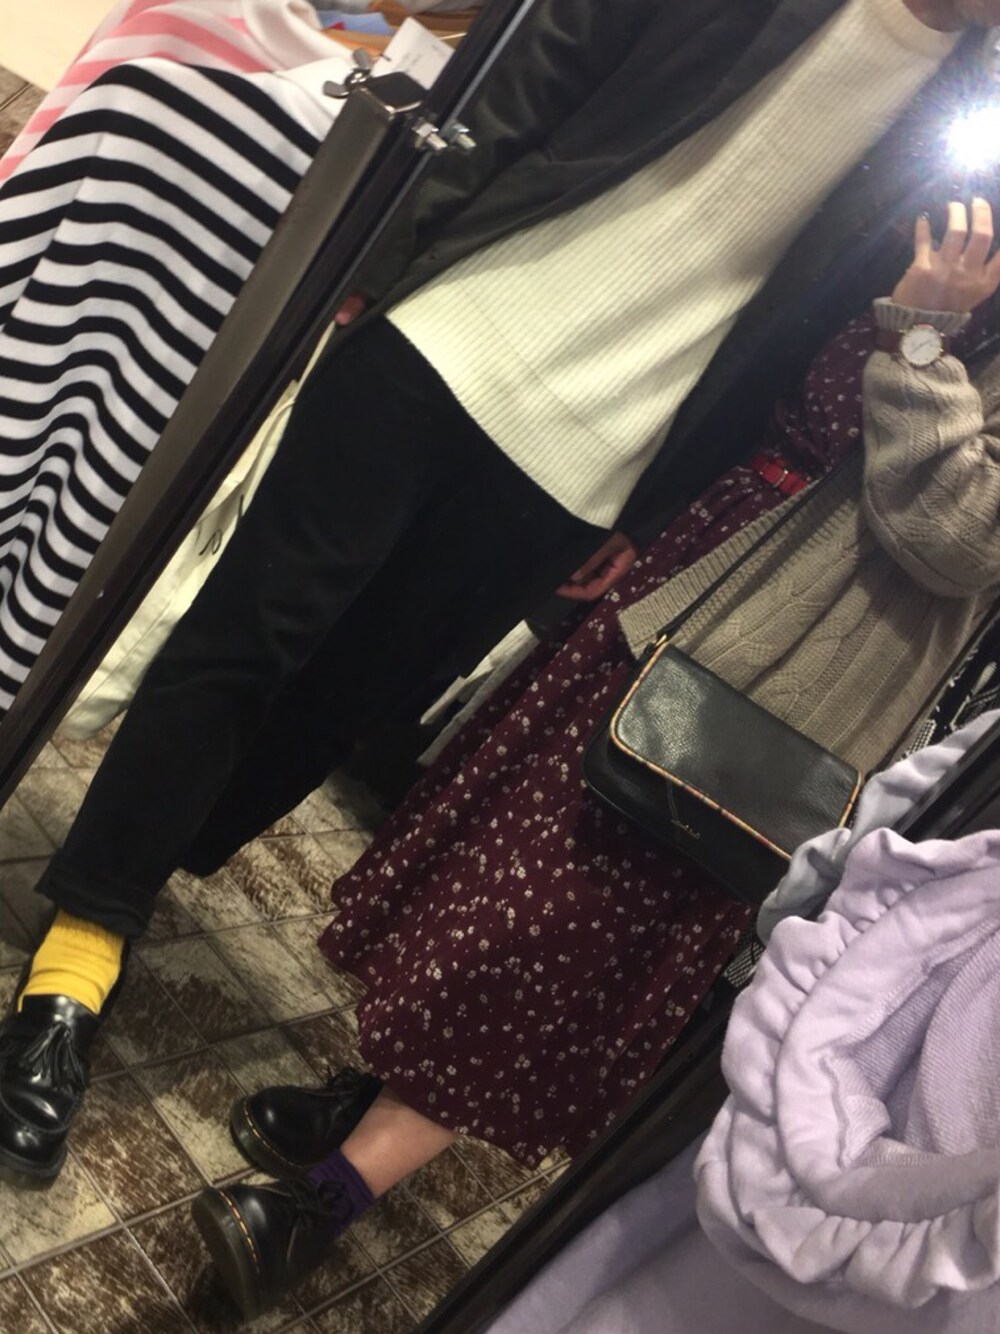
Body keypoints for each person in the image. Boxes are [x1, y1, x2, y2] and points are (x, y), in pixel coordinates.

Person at [0, 0, 992, 1221]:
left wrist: (657, 500)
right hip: (458, 320)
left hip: (604, 446)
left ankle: (147, 861)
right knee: (253, 633)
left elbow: (798, 338)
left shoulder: (960, 121)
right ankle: (83, 947)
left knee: (353, 693)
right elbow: (540, 59)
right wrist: (383, 252)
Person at [182, 194, 1000, 1317]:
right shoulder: (951, 247)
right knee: (507, 870)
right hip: (703, 583)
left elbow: (963, 535)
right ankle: (366, 1098)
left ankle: (329, 1197)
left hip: (783, 688)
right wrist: (651, 523)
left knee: (567, 933)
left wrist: (921, 338)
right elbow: (781, 396)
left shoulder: (948, 310)